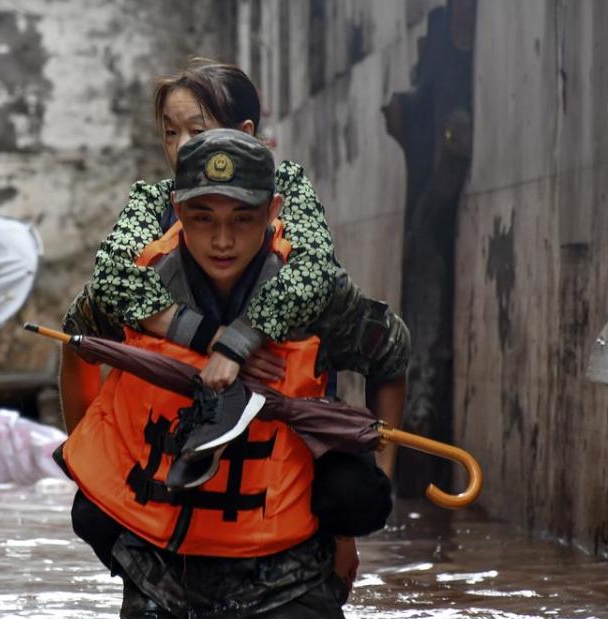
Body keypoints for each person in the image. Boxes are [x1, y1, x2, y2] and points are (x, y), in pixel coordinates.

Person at [60, 129, 394, 619]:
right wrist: (89, 454)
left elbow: (391, 353)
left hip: (288, 563)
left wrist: (355, 513)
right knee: (92, 510)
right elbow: (75, 341)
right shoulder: (138, 284)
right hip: (161, 559)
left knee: (360, 497)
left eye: (243, 220)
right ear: (176, 209)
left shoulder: (312, 291)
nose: (222, 240)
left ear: (273, 210)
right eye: (202, 219)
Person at [62, 58, 407, 477]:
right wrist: (209, 338)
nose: (182, 147)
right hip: (175, 429)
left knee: (348, 498)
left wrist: (240, 342)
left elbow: (315, 275)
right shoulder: (154, 204)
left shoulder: (288, 194)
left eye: (198, 131)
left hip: (281, 435)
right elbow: (106, 289)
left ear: (246, 136)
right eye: (171, 133)